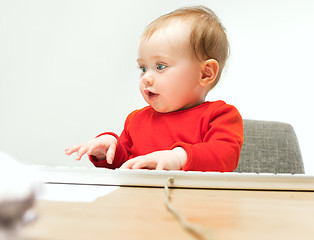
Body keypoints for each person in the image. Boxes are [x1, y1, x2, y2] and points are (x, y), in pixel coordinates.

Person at [65, 6, 244, 172]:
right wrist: (109, 148)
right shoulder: (136, 120)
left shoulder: (220, 116)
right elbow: (126, 162)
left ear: (205, 74)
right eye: (143, 68)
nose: (146, 78)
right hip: (141, 201)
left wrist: (179, 158)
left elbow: (225, 156)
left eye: (160, 66)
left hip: (193, 203)